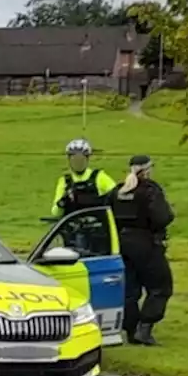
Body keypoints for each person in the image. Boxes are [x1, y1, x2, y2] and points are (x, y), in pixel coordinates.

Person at [108, 154, 175, 346]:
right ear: (147, 169)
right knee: (161, 287)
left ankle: (130, 330)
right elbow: (163, 217)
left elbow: (106, 212)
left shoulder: (118, 191)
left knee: (130, 290)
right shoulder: (150, 190)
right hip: (147, 243)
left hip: (122, 244)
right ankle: (145, 328)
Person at [51, 138, 117, 218]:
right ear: (69, 160)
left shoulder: (99, 177)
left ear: (87, 160)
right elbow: (55, 213)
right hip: (72, 227)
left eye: (81, 159)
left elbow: (116, 196)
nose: (78, 163)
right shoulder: (64, 181)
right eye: (75, 159)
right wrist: (62, 203)